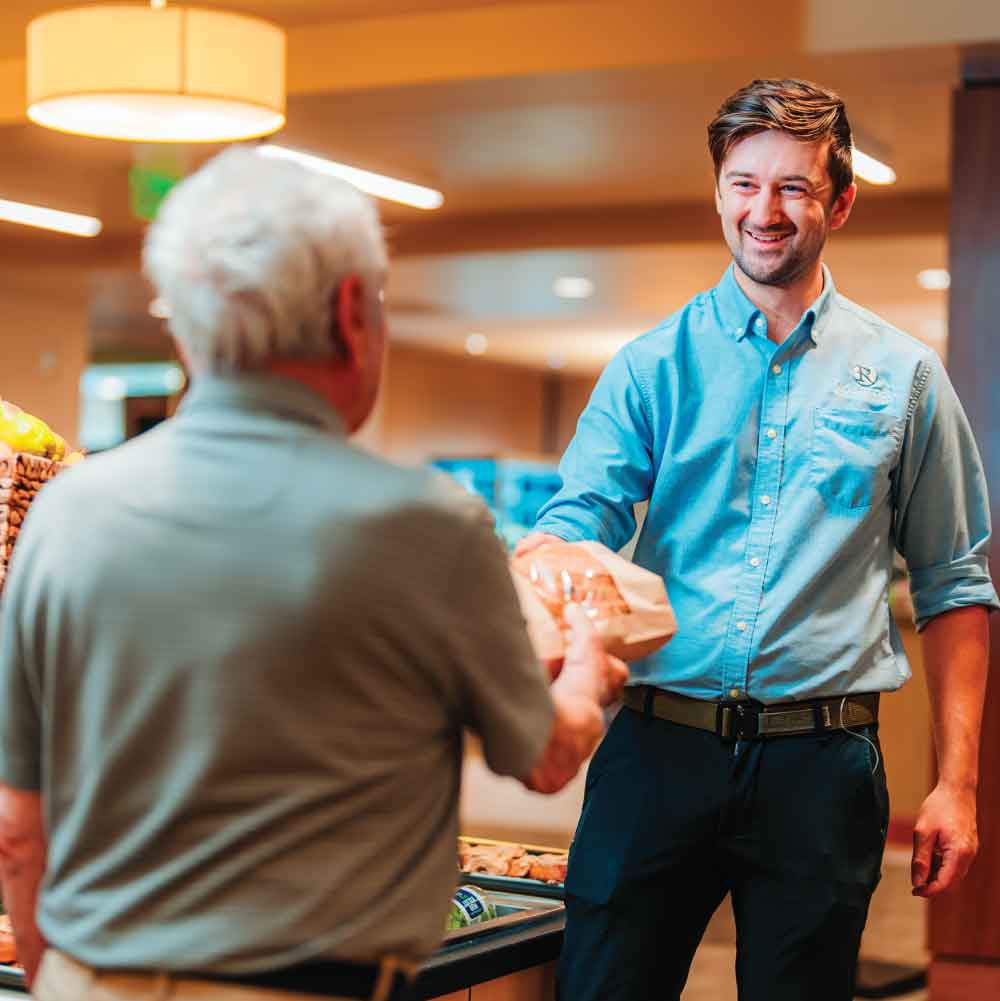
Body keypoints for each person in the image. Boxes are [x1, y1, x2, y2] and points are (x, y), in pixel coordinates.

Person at [0, 147, 626, 1001]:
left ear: (183, 326)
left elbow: (17, 823)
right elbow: (545, 758)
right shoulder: (429, 529)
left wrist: (56, 974)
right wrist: (589, 669)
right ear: (349, 314)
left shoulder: (67, 513)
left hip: (88, 978)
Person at [518, 78, 998, 1001]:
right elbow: (581, 520)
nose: (763, 212)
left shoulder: (904, 378)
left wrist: (959, 785)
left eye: (793, 188)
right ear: (718, 193)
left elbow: (955, 584)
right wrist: (544, 569)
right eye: (744, 184)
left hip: (821, 768)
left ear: (842, 201)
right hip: (659, 751)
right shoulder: (651, 366)